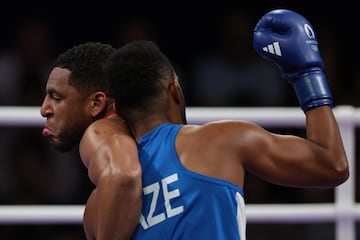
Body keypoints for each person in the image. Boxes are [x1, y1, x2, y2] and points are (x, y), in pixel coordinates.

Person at [104, 9, 349, 239]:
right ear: (174, 91)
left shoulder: (104, 198)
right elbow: (332, 165)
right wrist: (307, 75)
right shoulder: (221, 140)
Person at [40, 42, 142, 240]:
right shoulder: (160, 141)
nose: (44, 109)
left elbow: (123, 175)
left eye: (56, 98)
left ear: (96, 104)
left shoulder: (98, 133)